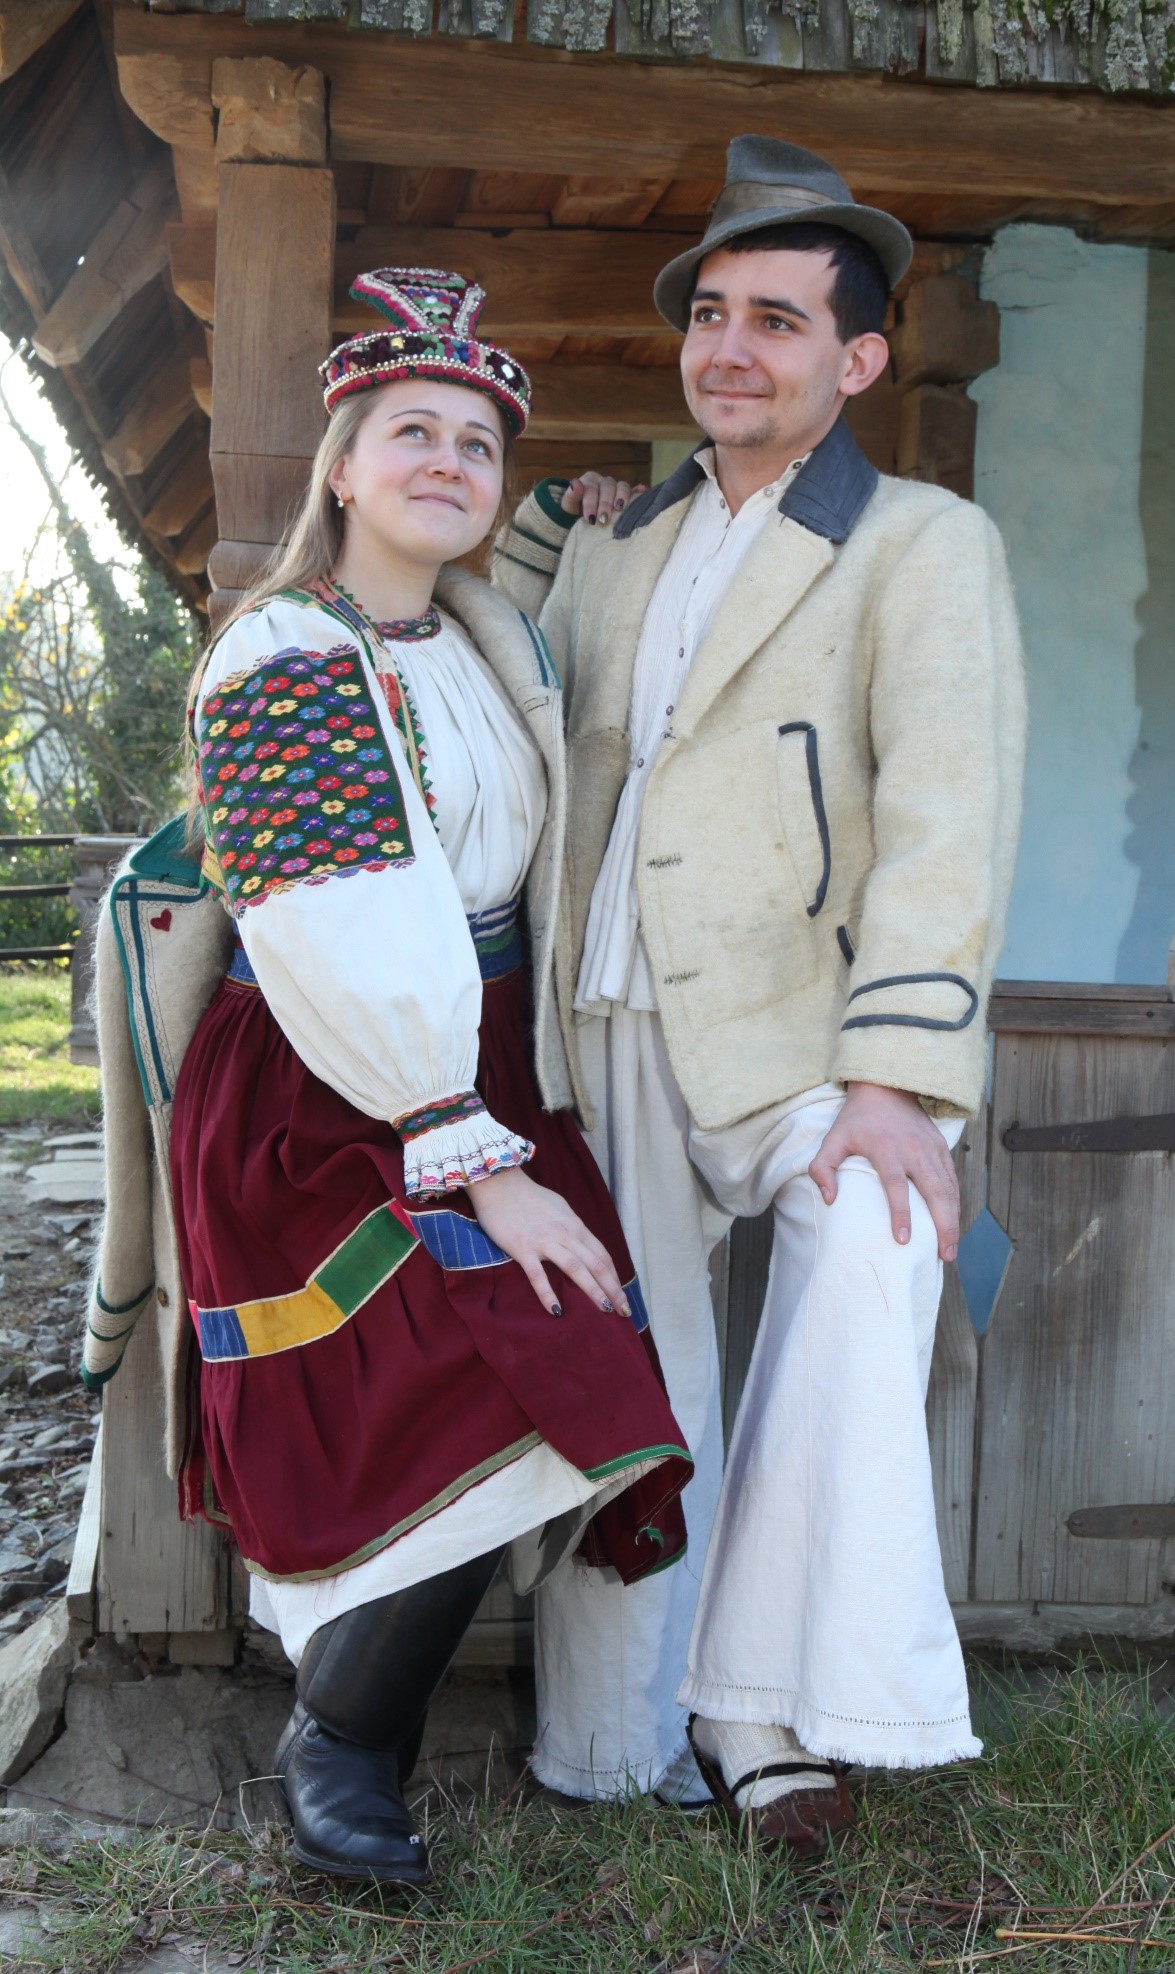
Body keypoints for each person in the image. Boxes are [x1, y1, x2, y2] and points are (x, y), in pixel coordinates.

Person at [84, 267, 690, 1887]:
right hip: (324, 1079)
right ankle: (344, 1737)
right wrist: (462, 1140)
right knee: (489, 1351)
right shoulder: (282, 654)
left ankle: (350, 1721)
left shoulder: (487, 642)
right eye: (412, 431)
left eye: (479, 445)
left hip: (475, 1065)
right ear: (342, 467)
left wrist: (567, 519)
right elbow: (338, 918)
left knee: (568, 1356)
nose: (448, 461)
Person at [494, 137, 1026, 1854]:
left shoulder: (924, 542)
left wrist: (899, 1076)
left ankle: (766, 1702)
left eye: (777, 321)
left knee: (880, 1249)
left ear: (857, 359)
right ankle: (614, 1730)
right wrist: (545, 527)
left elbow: (950, 813)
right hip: (602, 1019)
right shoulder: (620, 539)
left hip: (807, 1026)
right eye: (711, 314)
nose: (730, 348)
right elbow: (493, 676)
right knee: (633, 1370)